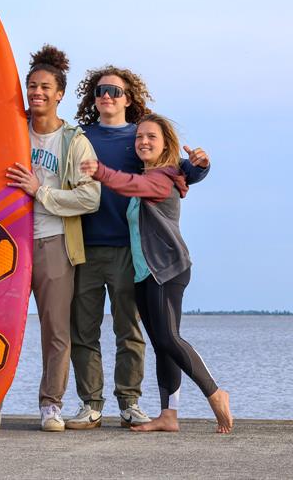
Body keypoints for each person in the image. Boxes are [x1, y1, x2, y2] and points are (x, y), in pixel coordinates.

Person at [67, 66, 211, 429]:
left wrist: (199, 167)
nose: (106, 96)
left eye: (115, 91)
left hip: (127, 251)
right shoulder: (79, 136)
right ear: (93, 97)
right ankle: (90, 404)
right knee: (83, 331)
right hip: (83, 245)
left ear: (128, 99)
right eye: (100, 90)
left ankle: (129, 401)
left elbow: (175, 171)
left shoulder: (141, 137)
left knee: (128, 330)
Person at [80, 113, 232, 433]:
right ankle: (169, 415)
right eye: (139, 137)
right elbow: (184, 172)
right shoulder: (161, 173)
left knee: (169, 338)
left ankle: (216, 393)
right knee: (162, 344)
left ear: (166, 144)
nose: (143, 141)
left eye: (151, 136)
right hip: (144, 274)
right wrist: (199, 167)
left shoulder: (162, 177)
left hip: (166, 271)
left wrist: (101, 172)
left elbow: (134, 185)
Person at [5, 45, 100, 433]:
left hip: (54, 241)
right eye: (31, 86)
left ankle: (51, 404)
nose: (37, 93)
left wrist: (40, 192)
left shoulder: (73, 140)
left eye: (45, 87)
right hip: (6, 243)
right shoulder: (8, 128)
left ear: (60, 93)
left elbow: (90, 197)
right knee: (1, 323)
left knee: (56, 330)